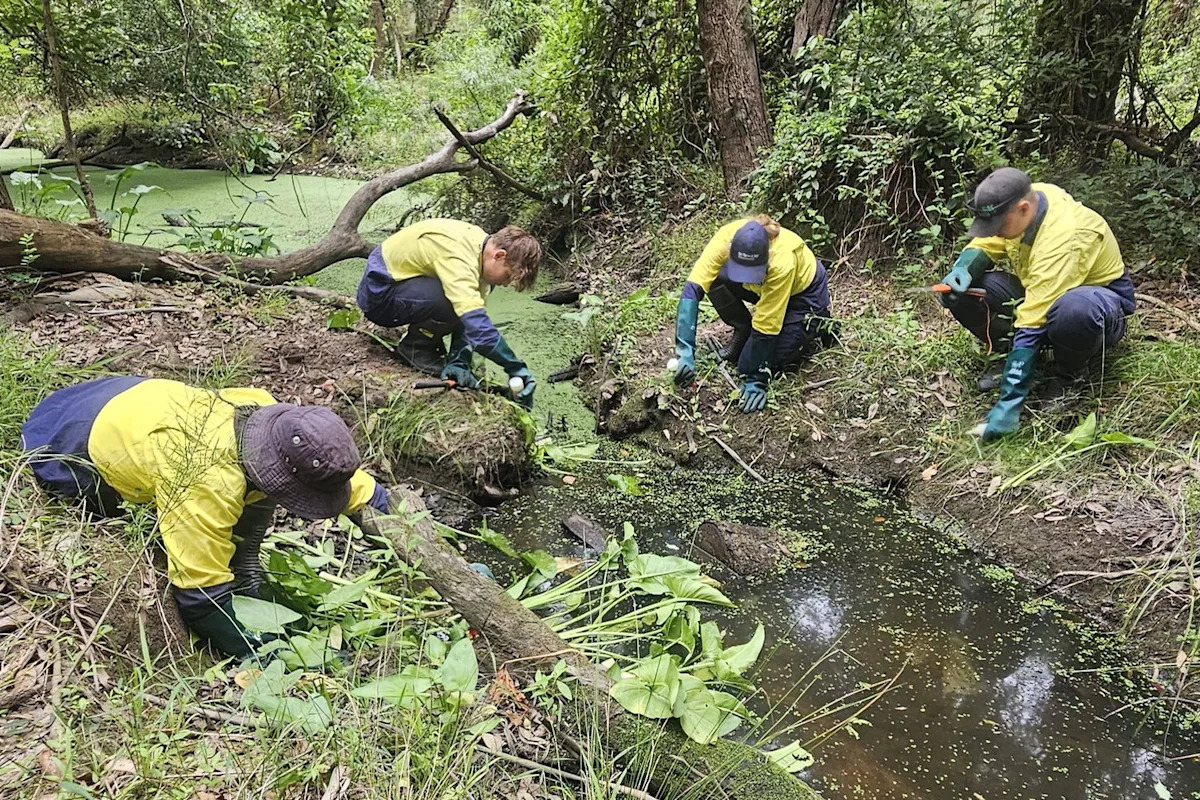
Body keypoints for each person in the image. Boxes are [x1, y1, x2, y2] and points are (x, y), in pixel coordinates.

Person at [20, 376, 391, 658]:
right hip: (71, 438)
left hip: (136, 396)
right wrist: (267, 652)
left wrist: (406, 529)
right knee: (121, 507)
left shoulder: (269, 416)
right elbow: (200, 597)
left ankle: (247, 573)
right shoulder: (204, 481)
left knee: (247, 503)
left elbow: (353, 486)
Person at [940, 167, 1135, 441]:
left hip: (1098, 305)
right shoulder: (1024, 202)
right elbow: (986, 243)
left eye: (999, 226)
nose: (995, 232)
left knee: (1074, 310)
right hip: (1040, 290)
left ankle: (1069, 375)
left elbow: (1033, 320)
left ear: (1023, 209)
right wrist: (964, 267)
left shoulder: (1065, 234)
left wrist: (1009, 401)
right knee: (965, 291)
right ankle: (1010, 355)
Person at [356, 218, 542, 408]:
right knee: (449, 298)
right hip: (380, 294)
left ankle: (430, 345)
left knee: (466, 300)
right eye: (508, 276)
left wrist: (460, 361)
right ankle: (416, 347)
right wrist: (515, 367)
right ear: (499, 255)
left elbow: (472, 318)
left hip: (408, 284)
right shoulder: (458, 254)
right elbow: (477, 327)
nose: (504, 283)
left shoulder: (481, 251)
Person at [671, 215, 835, 413]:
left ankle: (819, 321)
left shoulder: (781, 261)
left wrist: (757, 378)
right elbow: (692, 290)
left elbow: (767, 325)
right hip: (764, 287)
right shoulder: (725, 239)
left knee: (746, 366)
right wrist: (685, 350)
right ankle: (742, 330)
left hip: (802, 297)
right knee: (714, 278)